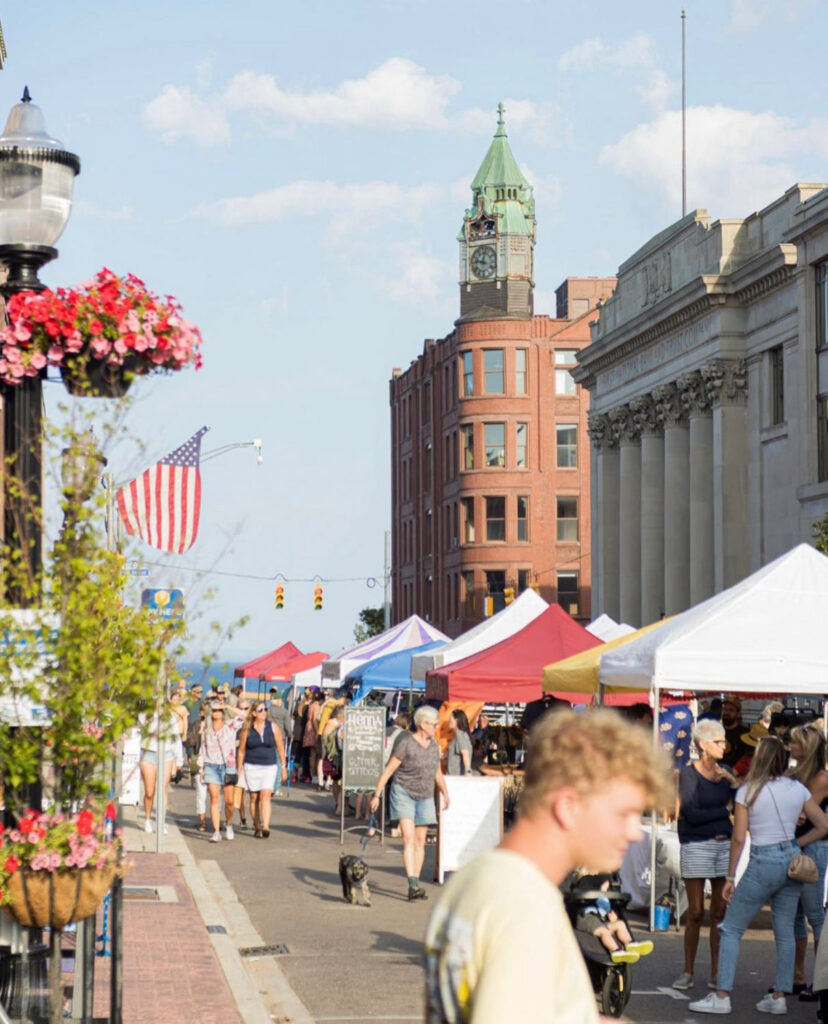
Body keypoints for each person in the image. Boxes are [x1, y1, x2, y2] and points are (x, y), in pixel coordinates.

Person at [423, 708, 671, 1023]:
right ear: (568, 806)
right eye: (623, 813)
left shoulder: (480, 877)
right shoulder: (526, 909)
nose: (636, 831)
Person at [689, 735, 828, 1016]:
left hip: (763, 858)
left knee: (731, 928)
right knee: (785, 929)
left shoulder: (747, 791)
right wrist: (796, 844)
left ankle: (722, 993)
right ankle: (779, 995)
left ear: (759, 758)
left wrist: (730, 877)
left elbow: (738, 838)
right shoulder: (797, 789)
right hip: (790, 858)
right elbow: (823, 825)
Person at [673, 719, 738, 991]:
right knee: (696, 911)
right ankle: (688, 971)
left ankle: (716, 972)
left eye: (724, 741)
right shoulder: (688, 774)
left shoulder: (726, 773)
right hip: (697, 843)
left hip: (723, 845)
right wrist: (725, 814)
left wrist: (733, 782)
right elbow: (692, 813)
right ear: (703, 745)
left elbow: (743, 802)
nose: (724, 745)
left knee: (720, 912)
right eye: (718, 741)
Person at [370, 704, 449, 901]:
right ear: (422, 724)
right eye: (434, 724)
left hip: (425, 795)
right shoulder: (406, 743)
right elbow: (389, 770)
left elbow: (436, 772)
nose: (436, 727)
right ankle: (412, 883)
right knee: (409, 839)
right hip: (403, 791)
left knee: (421, 841)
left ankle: (416, 883)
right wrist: (377, 794)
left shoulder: (434, 746)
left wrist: (445, 793)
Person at [789, 725, 828, 999]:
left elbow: (803, 814)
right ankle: (799, 976)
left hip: (812, 847)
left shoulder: (820, 778)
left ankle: (822, 980)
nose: (790, 747)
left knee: (815, 916)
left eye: (794, 743)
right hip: (802, 846)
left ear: (806, 747)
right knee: (795, 916)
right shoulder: (796, 774)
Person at [569, 872, 654, 964]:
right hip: (587, 917)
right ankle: (615, 951)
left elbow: (608, 907)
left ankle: (630, 943)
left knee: (620, 924)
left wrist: (613, 917)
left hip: (602, 919)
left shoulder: (606, 893)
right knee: (604, 932)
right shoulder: (586, 882)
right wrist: (601, 889)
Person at [238, 701, 287, 838]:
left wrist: (283, 767)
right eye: (260, 709)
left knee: (265, 796)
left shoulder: (273, 727)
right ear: (254, 713)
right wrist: (238, 770)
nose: (264, 711)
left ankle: (265, 825)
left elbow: (281, 748)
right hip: (251, 766)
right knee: (254, 798)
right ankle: (257, 826)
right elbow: (241, 751)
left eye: (265, 709)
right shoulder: (246, 730)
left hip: (269, 766)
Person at [197, 702, 244, 843]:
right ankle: (216, 831)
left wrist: (228, 706)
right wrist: (201, 768)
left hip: (228, 766)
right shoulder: (206, 730)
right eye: (214, 710)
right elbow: (202, 749)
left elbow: (244, 715)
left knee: (229, 802)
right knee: (214, 799)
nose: (217, 713)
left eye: (219, 711)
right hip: (211, 765)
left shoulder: (230, 726)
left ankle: (228, 824)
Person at [138, 699, 181, 834]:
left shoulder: (171, 718)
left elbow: (176, 739)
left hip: (166, 754)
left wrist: (178, 760)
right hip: (148, 753)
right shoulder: (145, 716)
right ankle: (147, 819)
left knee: (163, 789)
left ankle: (161, 822)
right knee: (149, 792)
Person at [720, 697, 749, 770]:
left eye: (731, 710)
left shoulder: (746, 734)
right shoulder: (716, 731)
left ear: (738, 714)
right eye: (725, 709)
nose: (726, 713)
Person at [445, 709, 473, 776]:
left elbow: (465, 753)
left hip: (455, 777)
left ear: (457, 720)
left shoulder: (460, 735)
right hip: (454, 777)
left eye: (450, 718)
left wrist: (468, 771)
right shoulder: (461, 735)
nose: (449, 721)